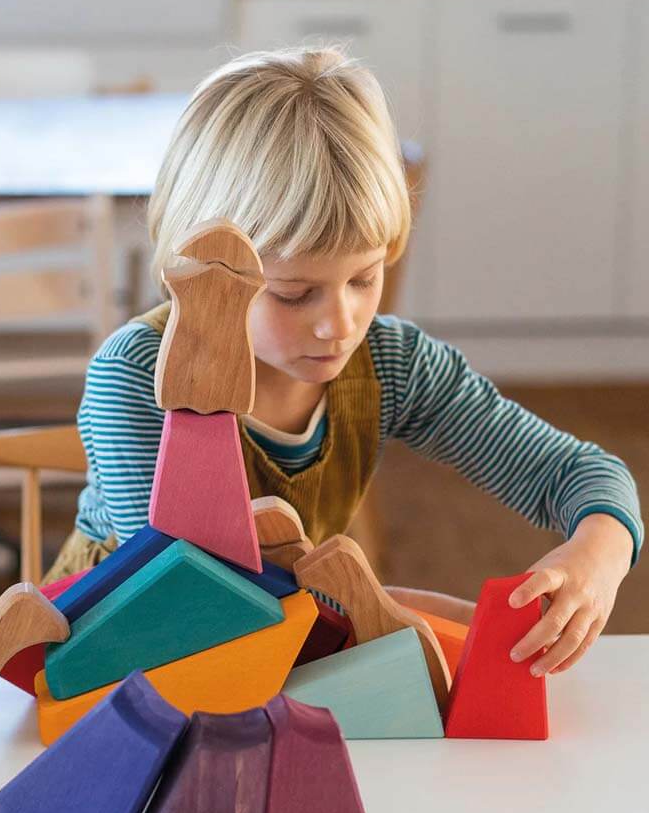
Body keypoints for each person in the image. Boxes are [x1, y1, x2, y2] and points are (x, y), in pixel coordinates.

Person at [47, 46, 642, 678]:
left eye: (365, 277)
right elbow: (193, 597)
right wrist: (398, 610)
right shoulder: (136, 375)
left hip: (282, 654)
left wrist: (600, 549)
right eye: (294, 293)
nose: (340, 324)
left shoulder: (391, 363)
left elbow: (581, 473)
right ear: (202, 269)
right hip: (113, 661)